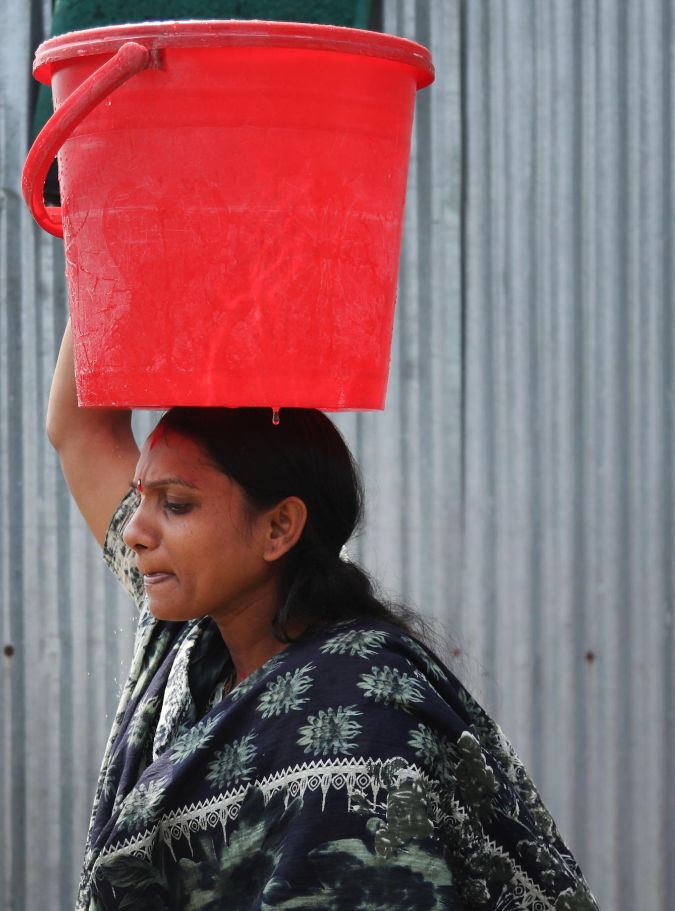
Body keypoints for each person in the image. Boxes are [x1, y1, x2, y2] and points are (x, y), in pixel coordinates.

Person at [46, 322, 598, 910]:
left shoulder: (366, 719)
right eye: (141, 495)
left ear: (279, 527)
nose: (134, 530)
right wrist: (116, 241)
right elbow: (81, 428)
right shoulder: (188, 638)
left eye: (175, 504)